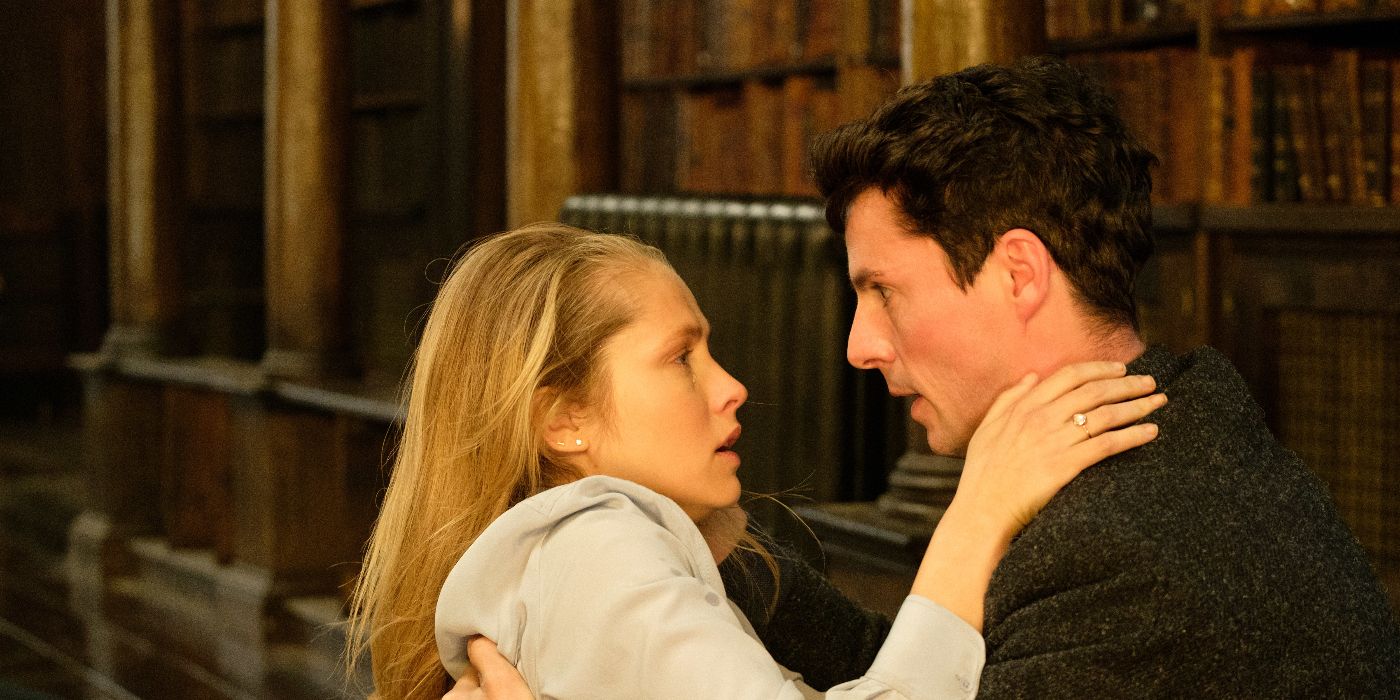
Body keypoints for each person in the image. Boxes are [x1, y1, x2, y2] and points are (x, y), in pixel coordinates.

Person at [458, 56, 1400, 697]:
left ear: (1019, 273)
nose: (860, 346)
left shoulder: (1126, 548)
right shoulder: (1175, 432)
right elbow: (946, 674)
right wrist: (719, 564)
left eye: (883, 291)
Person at [345, 223, 1165, 699]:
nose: (732, 387)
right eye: (682, 358)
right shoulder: (599, 553)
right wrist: (975, 519)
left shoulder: (585, 557)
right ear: (564, 419)